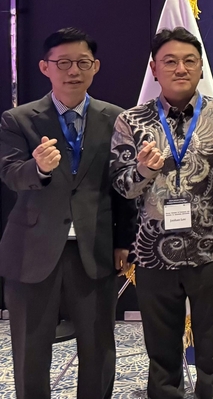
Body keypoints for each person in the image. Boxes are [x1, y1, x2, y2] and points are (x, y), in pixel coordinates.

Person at [0, 28, 135, 399]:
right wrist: (39, 168)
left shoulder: (117, 118)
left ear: (95, 67)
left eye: (82, 62)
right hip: (33, 249)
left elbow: (123, 188)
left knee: (98, 348)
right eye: (63, 63)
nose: (73, 70)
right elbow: (10, 174)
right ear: (45, 67)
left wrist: (124, 241)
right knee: (30, 350)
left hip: (95, 248)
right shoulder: (18, 119)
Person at [109, 27, 213, 399]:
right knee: (162, 353)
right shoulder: (131, 120)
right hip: (153, 254)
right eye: (170, 61)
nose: (180, 68)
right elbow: (122, 187)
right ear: (154, 69)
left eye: (189, 61)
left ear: (200, 67)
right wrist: (143, 170)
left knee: (212, 352)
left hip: (211, 250)